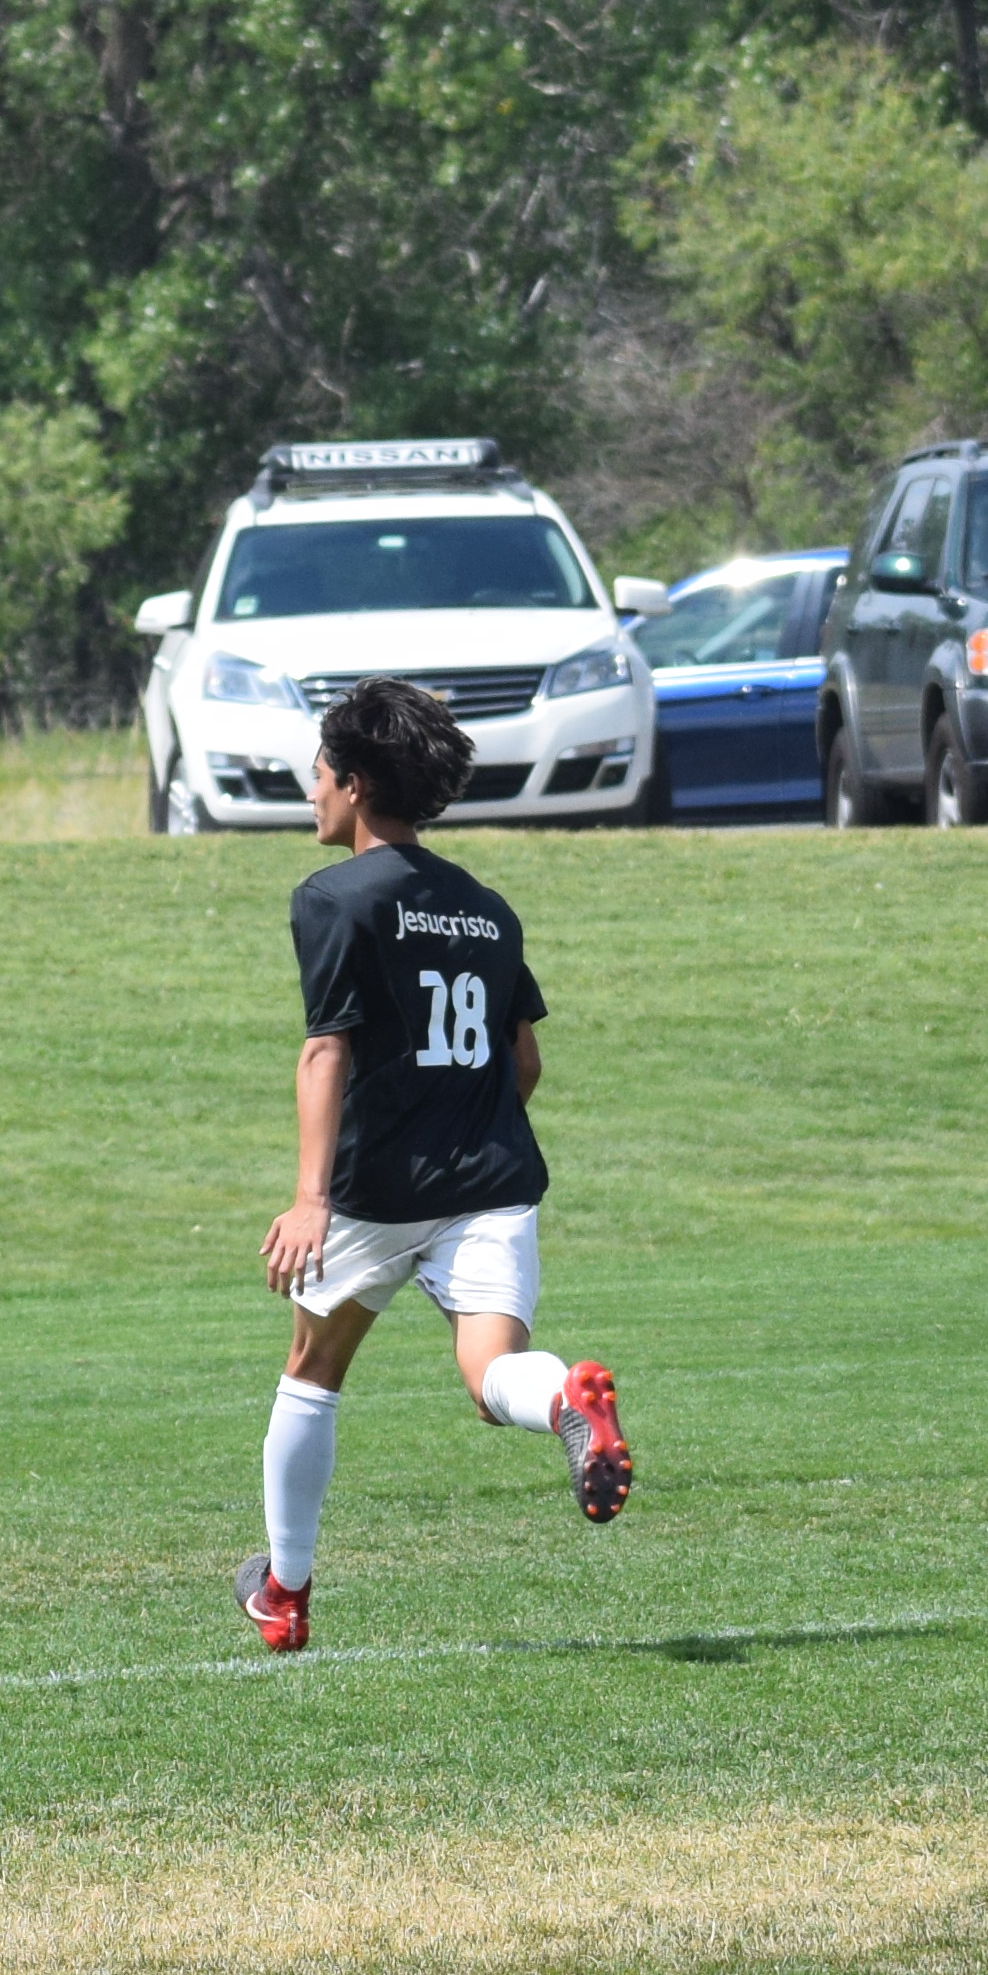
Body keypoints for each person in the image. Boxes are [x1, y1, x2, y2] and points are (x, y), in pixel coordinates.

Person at [240, 676, 633, 1652]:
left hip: (375, 1188)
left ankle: (285, 1593)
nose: (312, 793)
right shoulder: (488, 909)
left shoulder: (333, 897)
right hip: (493, 1180)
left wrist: (307, 1196)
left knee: (313, 1369)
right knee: (491, 1371)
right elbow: (524, 1056)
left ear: (358, 783)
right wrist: (470, 1132)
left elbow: (326, 1046)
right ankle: (566, 1401)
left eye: (320, 774)